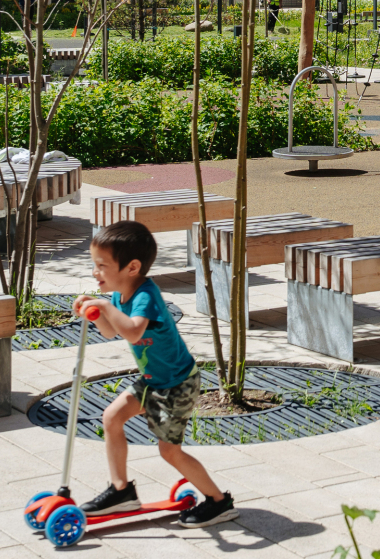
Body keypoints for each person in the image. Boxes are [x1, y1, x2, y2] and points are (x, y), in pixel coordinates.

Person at [73, 222, 239, 528]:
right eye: (94, 265)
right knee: (112, 418)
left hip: (178, 383)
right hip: (154, 380)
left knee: (169, 452)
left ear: (132, 267)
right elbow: (110, 331)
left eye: (102, 265)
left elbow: (133, 332)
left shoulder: (145, 295)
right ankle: (121, 491)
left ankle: (219, 502)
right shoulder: (120, 295)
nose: (95, 272)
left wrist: (105, 307)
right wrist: (94, 313)